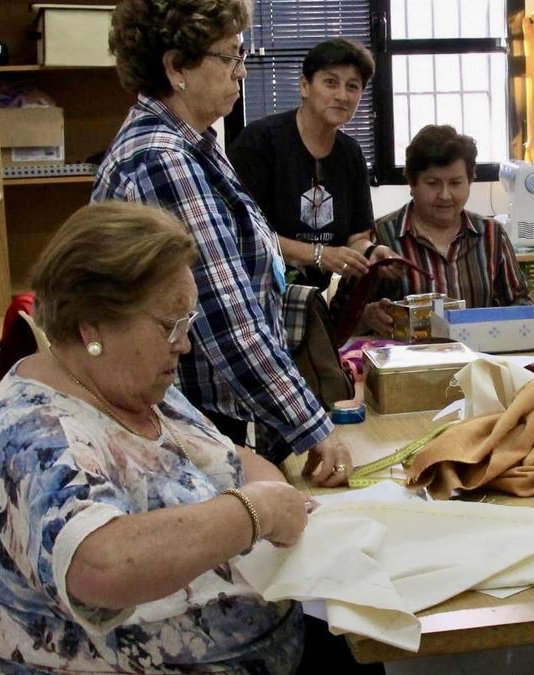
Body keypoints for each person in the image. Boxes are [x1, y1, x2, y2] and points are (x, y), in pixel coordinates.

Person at [0, 201, 373, 672]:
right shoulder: (28, 437)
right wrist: (255, 512)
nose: (185, 344)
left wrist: (265, 497)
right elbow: (101, 564)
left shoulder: (133, 385)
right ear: (92, 324)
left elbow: (231, 459)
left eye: (187, 322)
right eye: (171, 325)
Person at [93, 0, 352, 477]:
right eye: (230, 57)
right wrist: (313, 426)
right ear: (176, 68)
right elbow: (226, 318)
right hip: (187, 428)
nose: (242, 72)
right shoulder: (163, 160)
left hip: (205, 420)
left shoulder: (193, 147)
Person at [229, 38, 395, 289]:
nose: (342, 95)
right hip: (256, 289)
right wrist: (319, 254)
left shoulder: (351, 154)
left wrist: (372, 252)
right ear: (305, 86)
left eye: (353, 86)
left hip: (312, 300)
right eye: (330, 82)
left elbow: (356, 237)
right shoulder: (260, 141)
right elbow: (243, 231)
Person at [353, 124, 530, 334]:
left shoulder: (491, 235)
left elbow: (520, 303)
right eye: (433, 183)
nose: (445, 195)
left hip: (480, 360)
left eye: (455, 183)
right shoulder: (379, 237)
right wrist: (367, 316)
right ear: (412, 183)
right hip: (406, 362)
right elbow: (345, 322)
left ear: (469, 181)